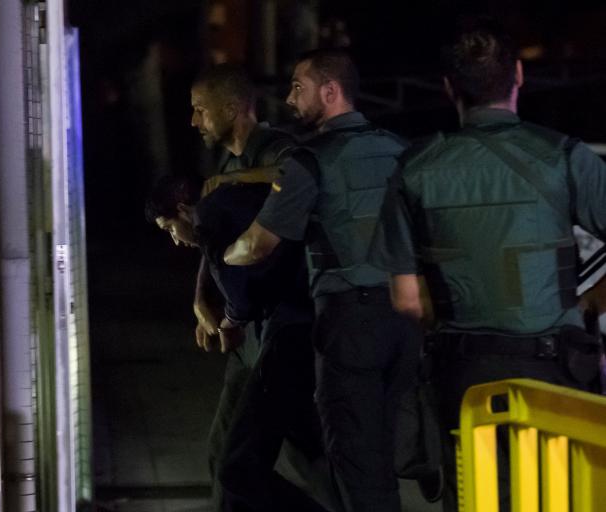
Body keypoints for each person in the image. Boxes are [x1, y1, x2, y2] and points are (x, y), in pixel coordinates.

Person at [369, 17, 606, 512]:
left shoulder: (416, 168)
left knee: (476, 498)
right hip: (555, 371)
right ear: (519, 76)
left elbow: (406, 301)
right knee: (556, 495)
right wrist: (591, 300)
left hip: (464, 374)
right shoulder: (564, 156)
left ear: (449, 87)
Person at [224, 49, 422, 512]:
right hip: (406, 321)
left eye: (299, 86)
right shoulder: (400, 149)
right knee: (390, 446)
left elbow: (258, 245)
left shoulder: (310, 160)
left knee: (356, 459)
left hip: (350, 324)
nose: (291, 99)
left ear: (330, 92)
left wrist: (223, 253)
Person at [146, 176, 331, 512]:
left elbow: (239, 290)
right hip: (290, 330)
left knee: (238, 469)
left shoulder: (210, 220)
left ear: (184, 210)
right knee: (266, 456)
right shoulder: (230, 203)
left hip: (289, 335)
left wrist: (230, 320)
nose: (175, 241)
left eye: (170, 229)